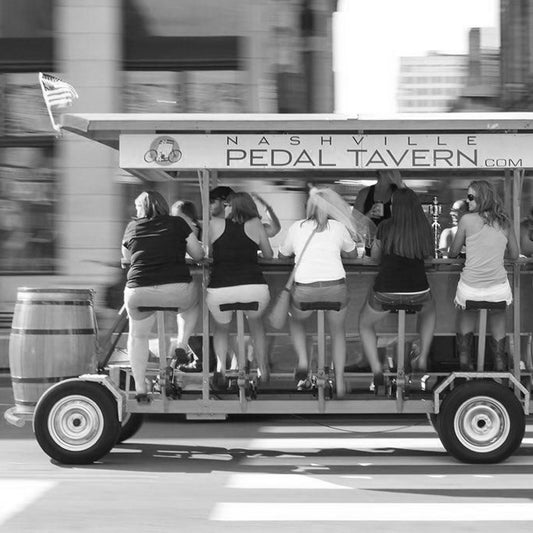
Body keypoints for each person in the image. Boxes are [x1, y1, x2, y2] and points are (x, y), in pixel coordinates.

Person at [122, 191, 204, 402]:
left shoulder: (132, 227)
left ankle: (140, 388)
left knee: (137, 336)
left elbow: (127, 258)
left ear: (146, 207)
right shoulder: (178, 223)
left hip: (138, 291)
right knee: (193, 300)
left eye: (138, 207)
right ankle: (182, 344)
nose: (136, 211)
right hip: (175, 290)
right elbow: (198, 254)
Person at [278, 187, 359, 398]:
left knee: (295, 319)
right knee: (338, 331)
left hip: (305, 292)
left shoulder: (297, 227)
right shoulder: (338, 227)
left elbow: (282, 254)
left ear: (309, 206)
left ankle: (304, 361)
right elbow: (352, 255)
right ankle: (339, 380)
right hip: (336, 289)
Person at [358, 188, 436, 380]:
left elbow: (375, 258)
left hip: (387, 292)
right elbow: (429, 257)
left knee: (364, 324)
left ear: (396, 206)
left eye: (392, 203)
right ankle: (423, 357)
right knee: (429, 312)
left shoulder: (385, 227)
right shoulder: (424, 228)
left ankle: (376, 367)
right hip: (418, 291)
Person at [449, 180, 519, 371]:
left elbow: (453, 253)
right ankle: (499, 367)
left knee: (466, 313)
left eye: (470, 197)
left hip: (470, 289)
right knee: (498, 315)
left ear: (482, 198)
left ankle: (465, 366)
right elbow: (514, 255)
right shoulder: (505, 222)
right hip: (498, 289)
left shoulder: (466, 220)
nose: (467, 201)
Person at [207, 192, 273, 386]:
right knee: (256, 323)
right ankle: (263, 368)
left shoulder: (214, 224)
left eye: (227, 204)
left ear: (233, 207)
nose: (225, 207)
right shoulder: (255, 225)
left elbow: (208, 254)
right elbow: (269, 255)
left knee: (221, 327)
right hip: (254, 288)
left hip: (220, 289)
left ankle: (221, 367)